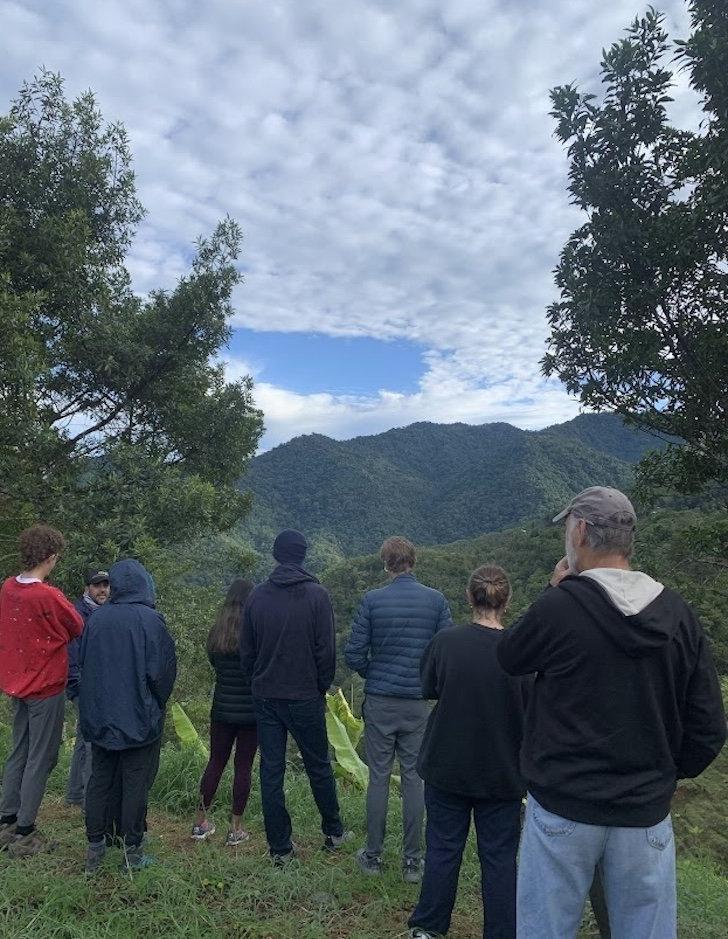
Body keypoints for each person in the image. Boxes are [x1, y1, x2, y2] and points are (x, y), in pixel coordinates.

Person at [497, 486, 727, 939]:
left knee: (546, 928)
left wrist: (552, 589)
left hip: (564, 804)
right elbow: (709, 725)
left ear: (580, 531)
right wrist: (663, 775)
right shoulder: (677, 613)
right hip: (643, 813)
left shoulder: (560, 606)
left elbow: (510, 656)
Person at [408, 565, 529, 939]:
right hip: (503, 771)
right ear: (506, 601)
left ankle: (428, 927)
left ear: (469, 597)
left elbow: (428, 687)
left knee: (443, 849)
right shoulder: (522, 653)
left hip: (448, 763)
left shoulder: (446, 642)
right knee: (500, 859)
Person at [345, 536, 453, 882]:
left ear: (386, 564)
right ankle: (412, 862)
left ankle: (373, 857)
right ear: (413, 562)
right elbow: (444, 652)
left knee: (377, 778)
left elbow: (353, 653)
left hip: (380, 700)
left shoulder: (372, 600)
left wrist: (372, 672)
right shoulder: (435, 601)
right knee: (414, 780)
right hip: (417, 703)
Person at [240, 529, 349, 864]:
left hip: (266, 695)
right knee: (318, 764)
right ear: (303, 555)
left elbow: (247, 651)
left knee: (271, 769)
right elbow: (326, 651)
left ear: (275, 554)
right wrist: (320, 686)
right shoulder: (317, 596)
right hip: (304, 694)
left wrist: (257, 681)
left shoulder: (257, 597)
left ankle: (280, 848)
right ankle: (333, 831)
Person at [80, 558, 177, 873]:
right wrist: (155, 704)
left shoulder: (96, 619)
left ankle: (96, 847)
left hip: (100, 715)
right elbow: (161, 674)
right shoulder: (150, 620)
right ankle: (132, 852)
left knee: (100, 779)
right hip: (139, 718)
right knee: (135, 782)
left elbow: (85, 666)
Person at [0, 525, 84, 858]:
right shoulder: (48, 595)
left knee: (18, 751)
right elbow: (77, 625)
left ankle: (6, 821)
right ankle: (25, 831)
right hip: (45, 684)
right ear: (49, 558)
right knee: (41, 757)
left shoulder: (7, 588)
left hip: (15, 682)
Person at [191, 578, 258, 846]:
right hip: (251, 711)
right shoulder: (255, 633)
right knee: (243, 767)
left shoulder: (216, 633)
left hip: (221, 708)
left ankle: (200, 822)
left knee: (215, 763)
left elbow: (214, 665)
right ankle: (236, 828)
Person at [65, 567, 110, 808]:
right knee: (93, 741)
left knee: (84, 739)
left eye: (105, 585)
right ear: (87, 588)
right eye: (97, 585)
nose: (102, 589)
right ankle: (90, 801)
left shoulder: (104, 612)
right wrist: (79, 687)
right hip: (84, 687)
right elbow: (71, 655)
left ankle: (75, 795)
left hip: (95, 686)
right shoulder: (78, 613)